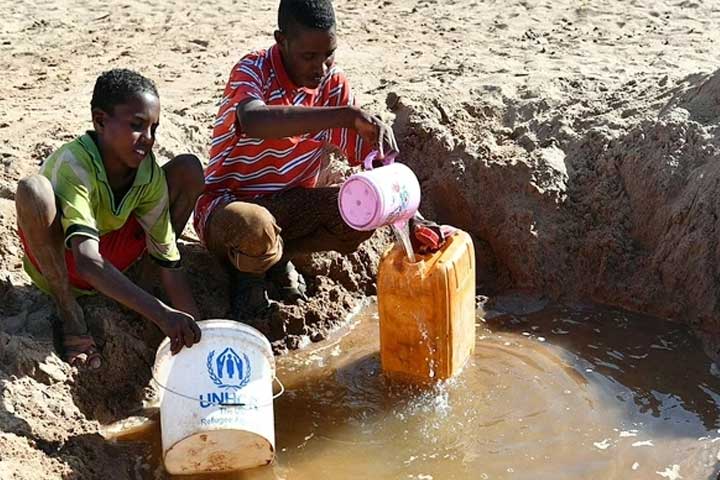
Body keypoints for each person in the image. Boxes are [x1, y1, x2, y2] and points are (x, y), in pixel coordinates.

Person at [194, 0, 399, 322]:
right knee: (254, 225)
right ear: (281, 41)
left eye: (328, 54)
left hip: (291, 206)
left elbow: (375, 162)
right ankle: (248, 279)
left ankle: (278, 256)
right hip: (228, 208)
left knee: (363, 208)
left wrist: (411, 214)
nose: (321, 67)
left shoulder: (331, 84)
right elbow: (254, 120)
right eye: (309, 56)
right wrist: (344, 116)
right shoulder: (253, 69)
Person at [15, 69, 203, 369]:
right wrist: (162, 314)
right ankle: (70, 314)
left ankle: (136, 293)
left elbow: (169, 261)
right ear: (100, 121)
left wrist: (198, 330)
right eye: (137, 126)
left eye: (154, 128)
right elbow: (87, 262)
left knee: (188, 169)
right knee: (33, 190)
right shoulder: (75, 166)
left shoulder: (147, 173)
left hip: (112, 258)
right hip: (64, 261)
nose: (149, 139)